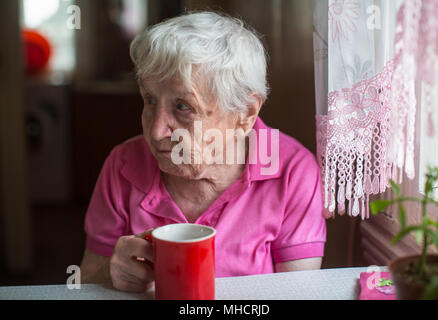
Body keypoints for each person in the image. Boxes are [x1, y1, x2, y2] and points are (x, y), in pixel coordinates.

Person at [80, 11, 326, 292]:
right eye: (149, 99)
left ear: (245, 113)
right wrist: (110, 275)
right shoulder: (122, 165)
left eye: (183, 106)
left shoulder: (293, 171)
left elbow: (298, 294)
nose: (157, 130)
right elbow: (86, 282)